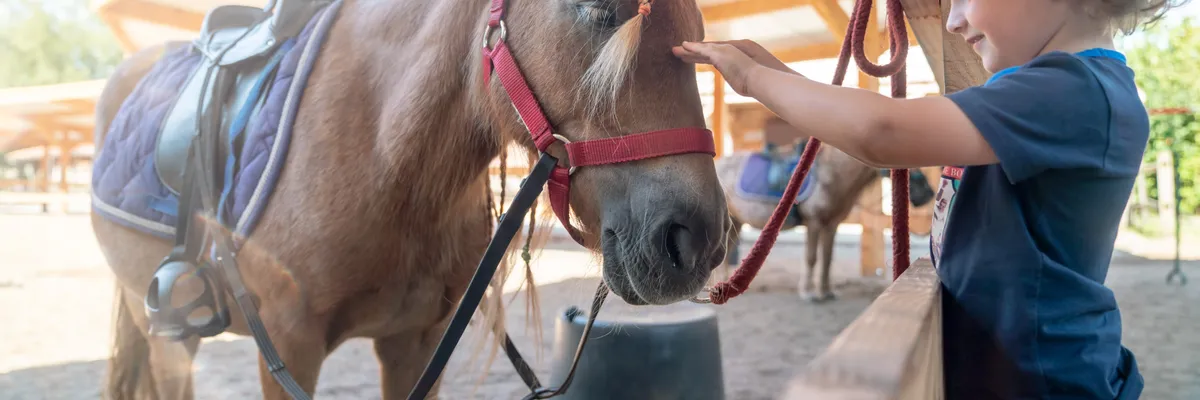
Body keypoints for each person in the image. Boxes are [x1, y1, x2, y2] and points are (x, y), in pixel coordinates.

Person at [673, 1, 1189, 399]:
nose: (953, 22)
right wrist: (775, 71)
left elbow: (881, 131)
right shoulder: (1056, 91)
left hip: (1037, 378)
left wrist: (754, 80)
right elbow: (873, 125)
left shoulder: (1072, 90)